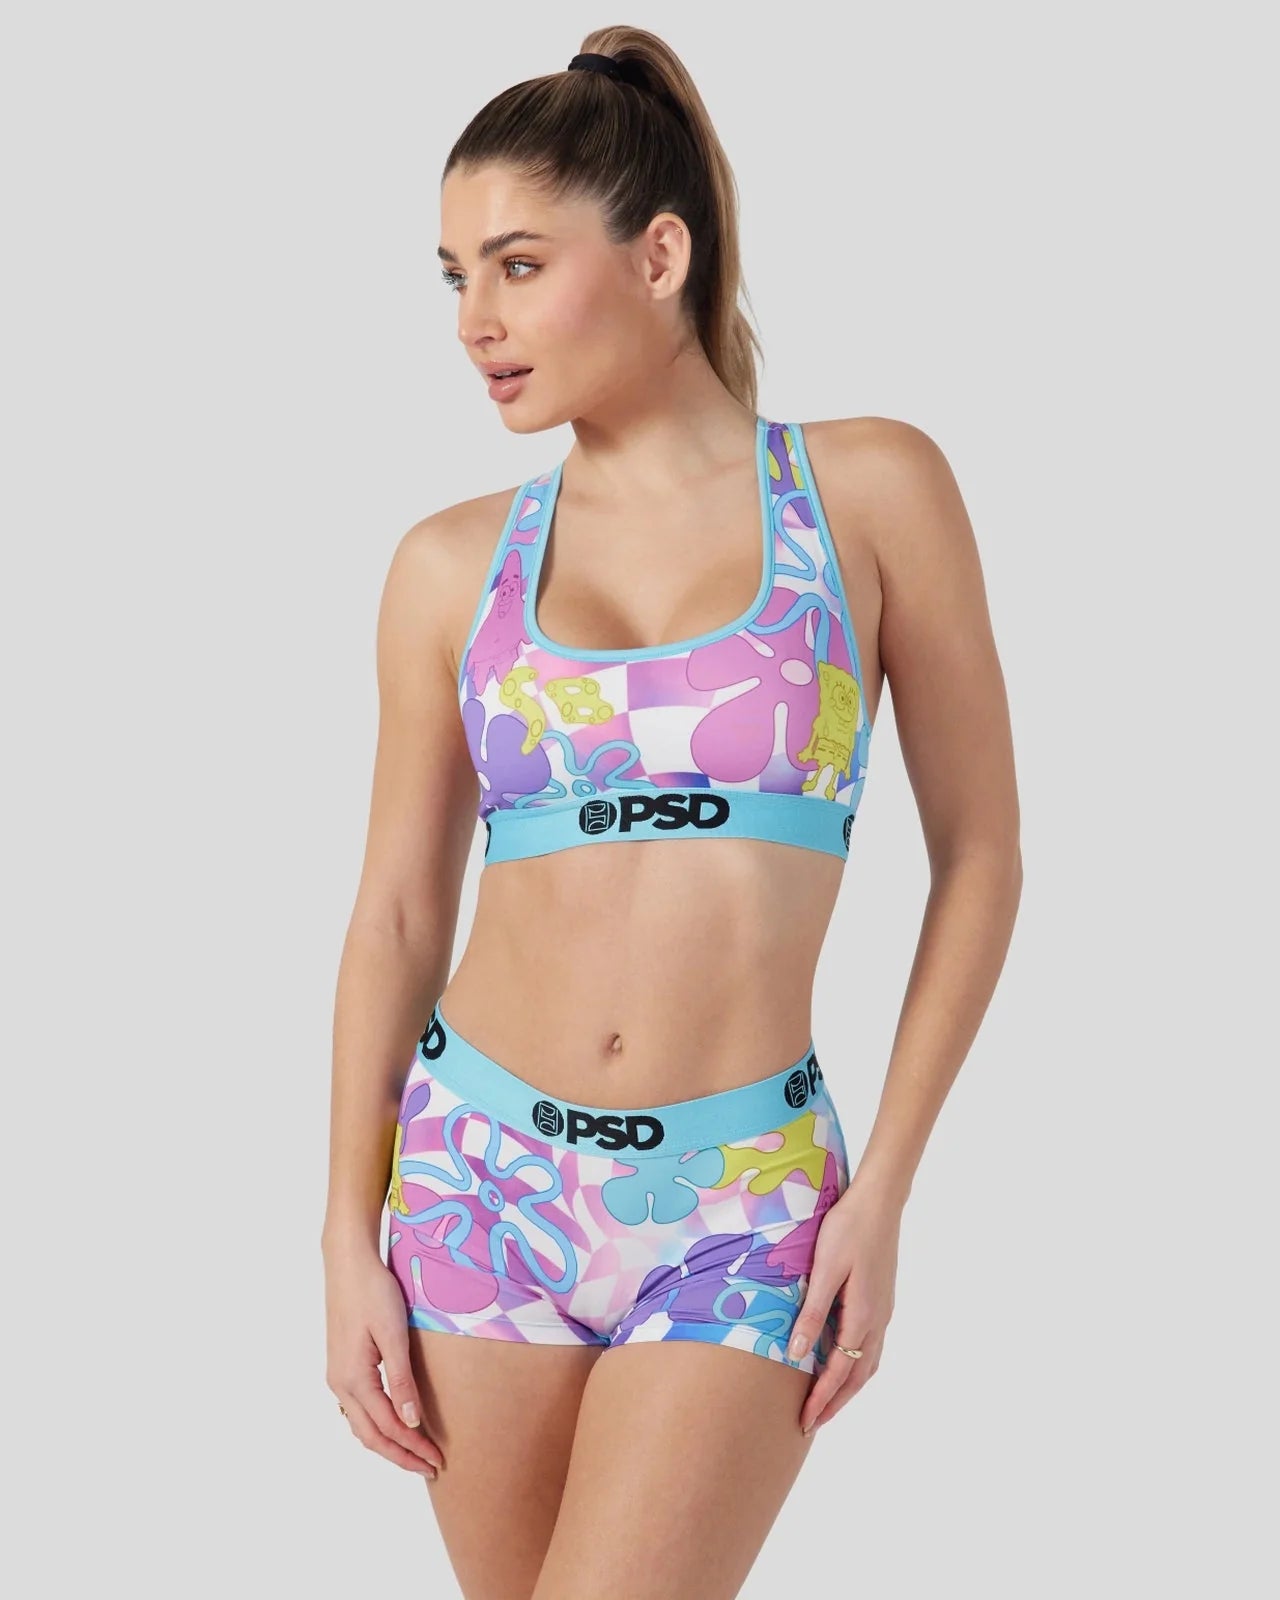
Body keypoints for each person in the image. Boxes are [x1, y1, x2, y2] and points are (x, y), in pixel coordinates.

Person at [322, 24, 1021, 1600]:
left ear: (659, 255)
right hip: (476, 1178)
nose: (476, 320)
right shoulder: (449, 568)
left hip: (746, 1200)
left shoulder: (867, 492)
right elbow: (398, 916)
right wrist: (341, 1237)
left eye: (516, 265)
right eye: (455, 277)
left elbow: (982, 854)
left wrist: (887, 1190)